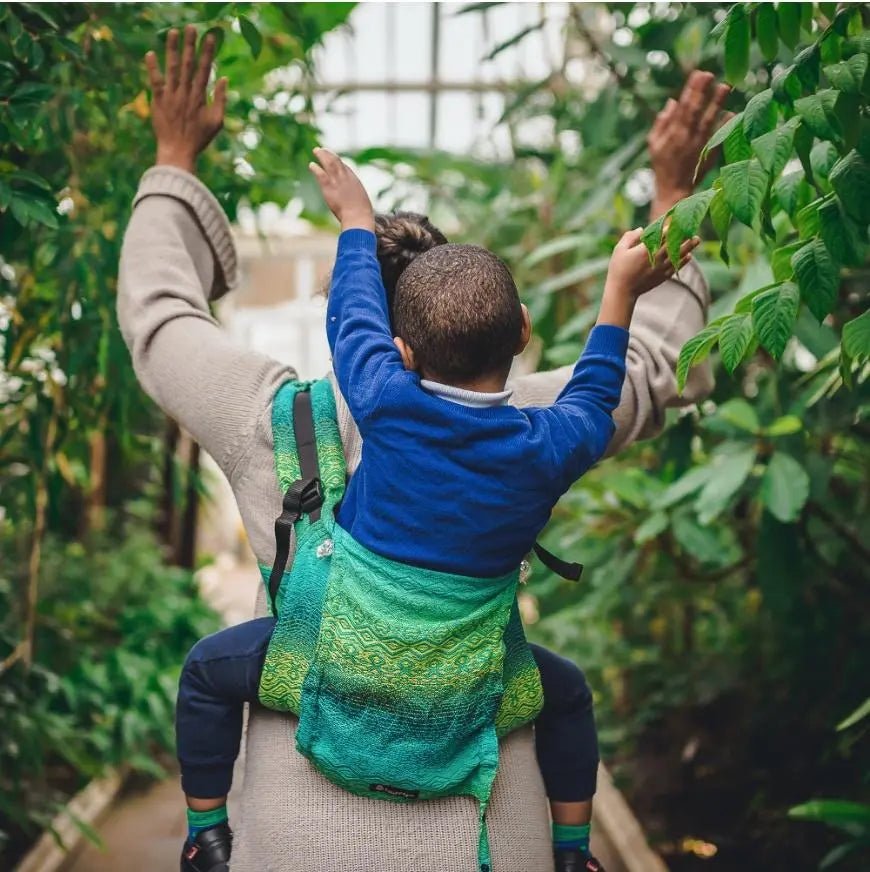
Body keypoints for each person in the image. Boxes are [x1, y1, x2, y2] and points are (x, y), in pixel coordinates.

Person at [120, 25, 726, 872]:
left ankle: (204, 833)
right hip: (486, 834)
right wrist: (670, 200)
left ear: (387, 345)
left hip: (298, 844)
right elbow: (652, 364)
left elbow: (159, 318)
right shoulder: (542, 425)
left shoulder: (268, 416)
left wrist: (176, 159)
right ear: (513, 331)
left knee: (210, 671)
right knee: (563, 691)